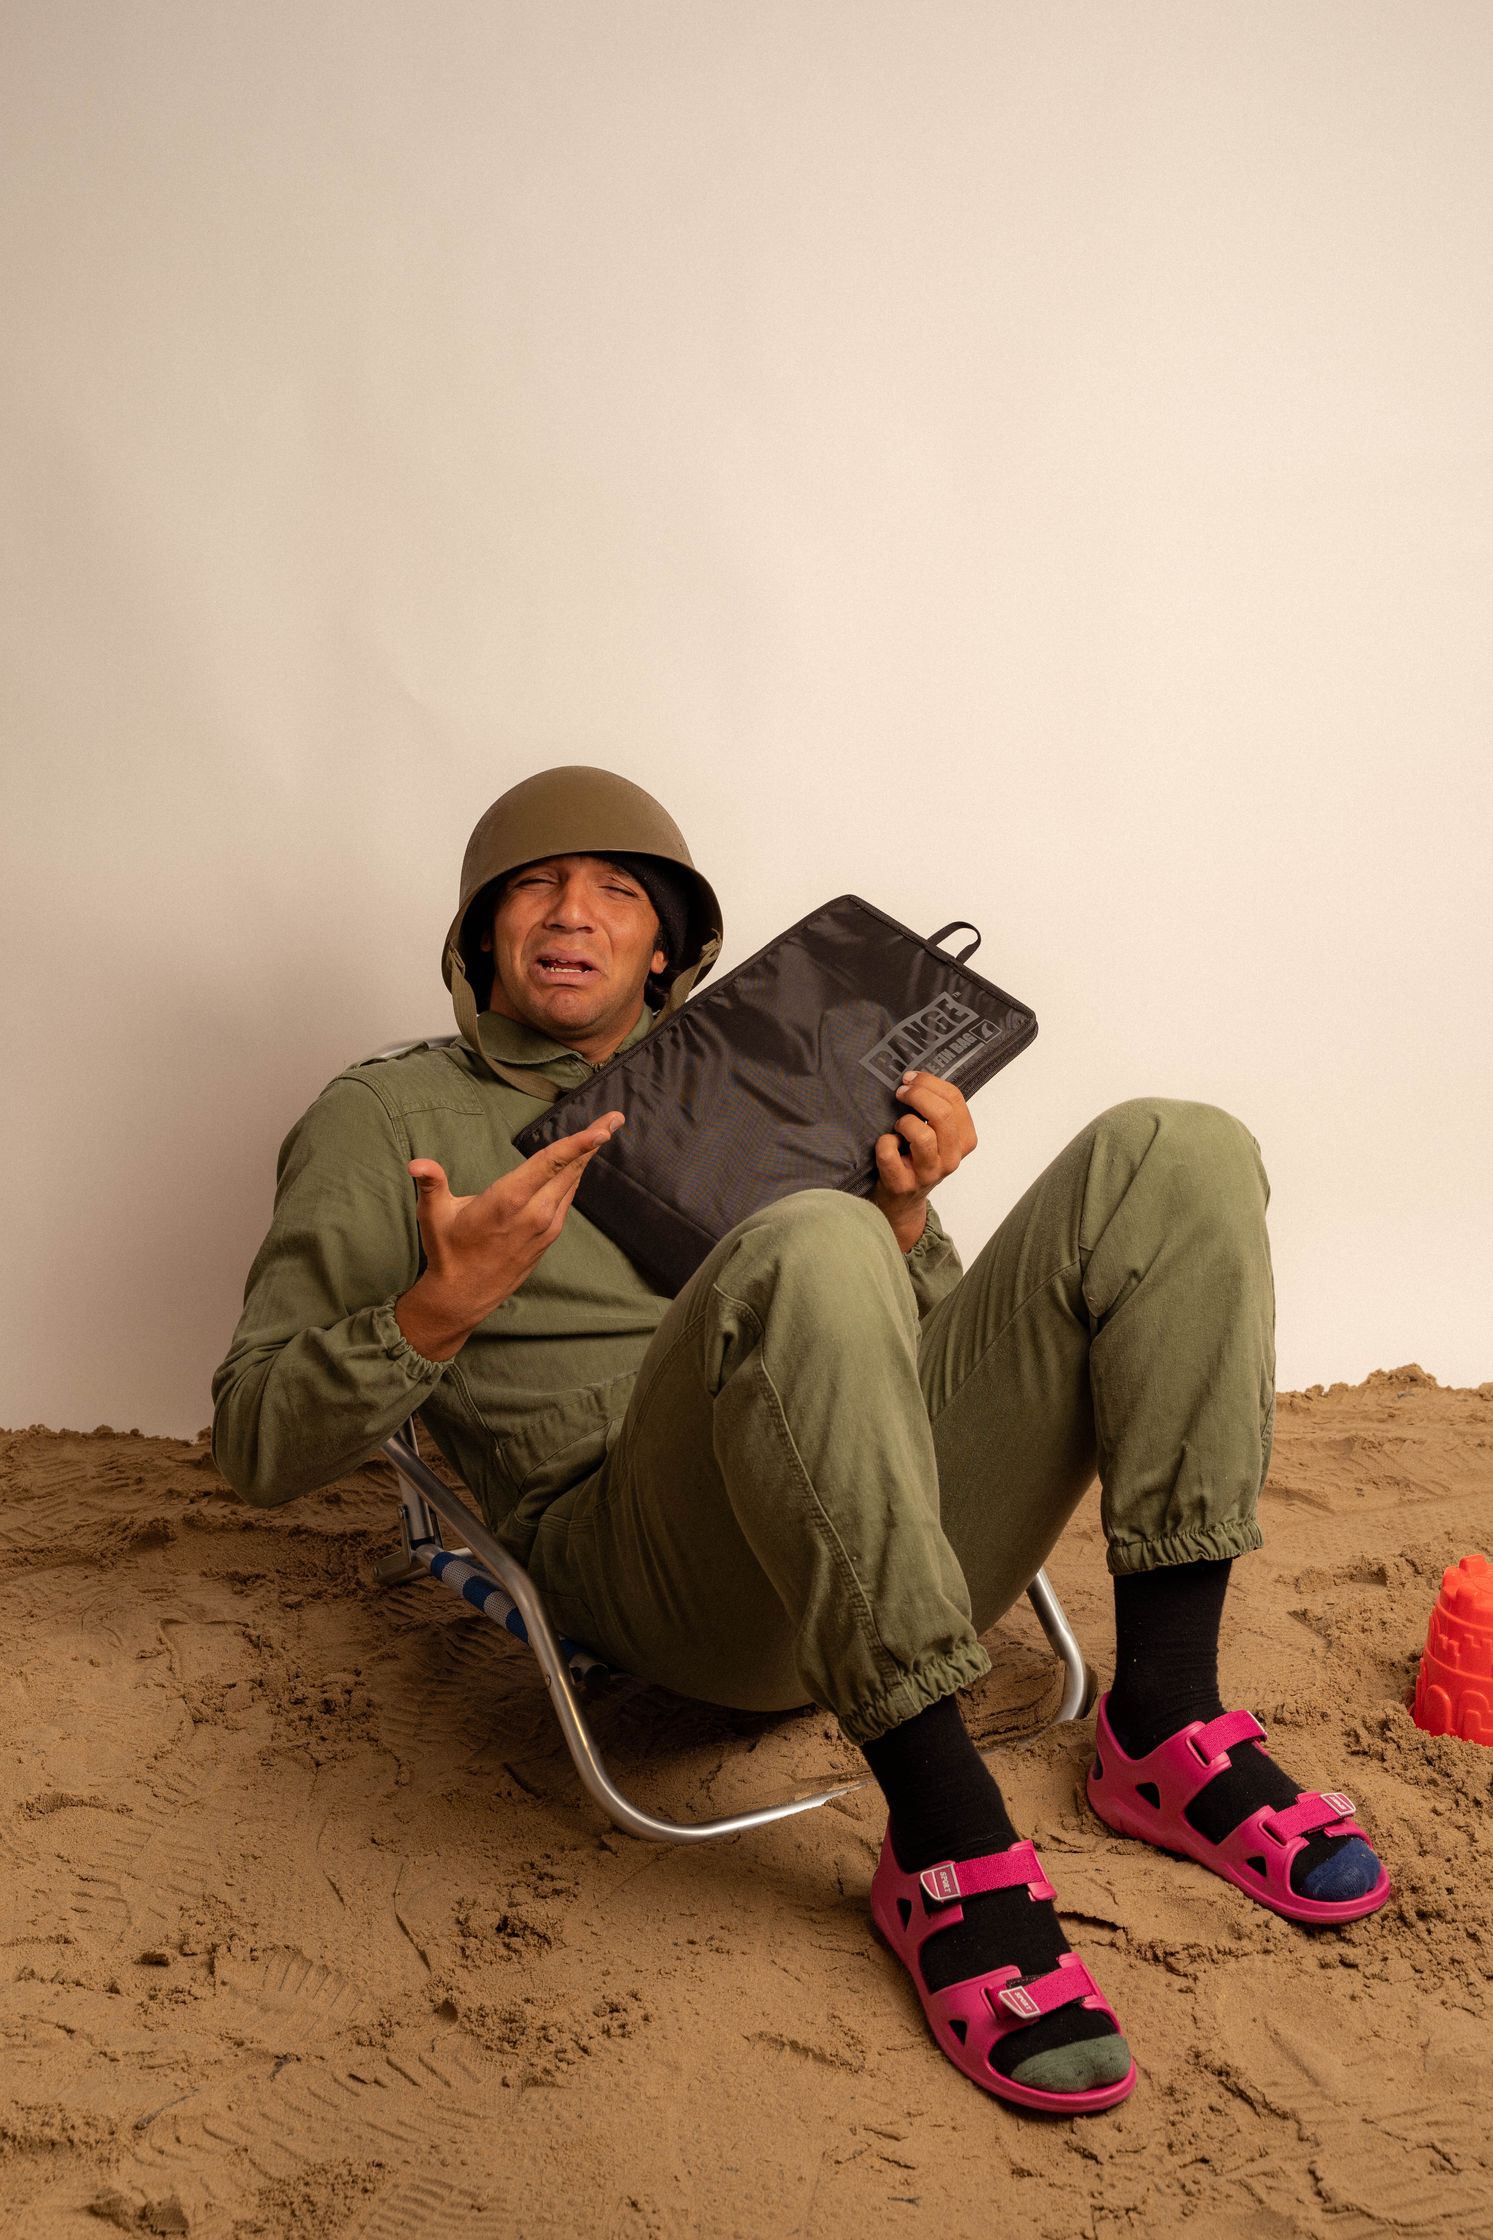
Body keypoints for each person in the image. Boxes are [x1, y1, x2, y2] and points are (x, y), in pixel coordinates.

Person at [213, 763, 1389, 2117]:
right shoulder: (384, 1120)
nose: (572, 912)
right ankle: (945, 1840)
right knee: (813, 1238)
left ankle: (1166, 1714)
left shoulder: (771, 1075)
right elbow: (253, 1443)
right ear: (481, 936)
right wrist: (439, 1306)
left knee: (1176, 1147)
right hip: (659, 1566)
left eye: (616, 890)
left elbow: (941, 1356)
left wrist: (906, 1224)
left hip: (887, 1528)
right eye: (533, 887)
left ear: (669, 946)